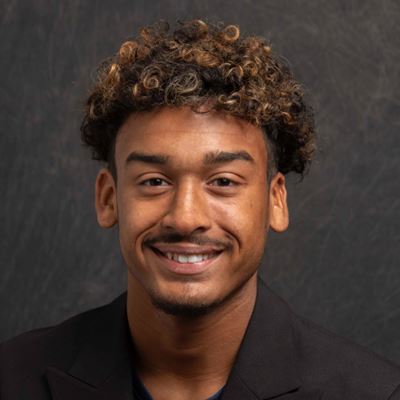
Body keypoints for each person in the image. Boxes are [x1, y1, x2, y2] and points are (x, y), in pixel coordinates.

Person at [1, 19, 400, 400]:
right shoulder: (12, 378)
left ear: (276, 201)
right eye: (154, 181)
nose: (186, 218)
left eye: (223, 181)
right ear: (108, 198)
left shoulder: (373, 393)